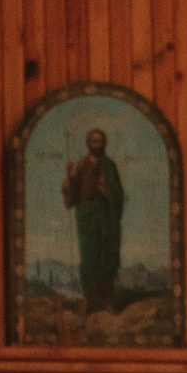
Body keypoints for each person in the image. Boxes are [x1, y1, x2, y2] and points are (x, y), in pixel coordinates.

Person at [62, 121, 124, 312]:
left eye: (100, 141)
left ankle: (107, 299)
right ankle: (89, 299)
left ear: (104, 143)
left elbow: (119, 193)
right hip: (87, 216)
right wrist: (68, 177)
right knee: (88, 257)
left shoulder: (110, 165)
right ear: (88, 143)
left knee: (106, 255)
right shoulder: (81, 164)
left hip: (106, 216)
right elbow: (71, 190)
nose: (97, 144)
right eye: (93, 141)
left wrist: (107, 191)